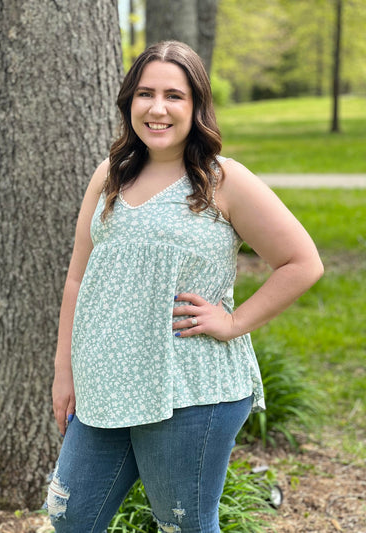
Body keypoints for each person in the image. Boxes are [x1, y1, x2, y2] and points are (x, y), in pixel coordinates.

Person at [46, 40, 323, 532]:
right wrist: (64, 369)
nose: (157, 108)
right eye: (145, 93)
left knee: (184, 525)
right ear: (129, 100)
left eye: (174, 95)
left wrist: (234, 321)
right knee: (70, 517)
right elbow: (76, 278)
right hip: (105, 386)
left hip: (190, 389)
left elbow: (301, 263)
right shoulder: (109, 176)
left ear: (196, 107)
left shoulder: (223, 181)